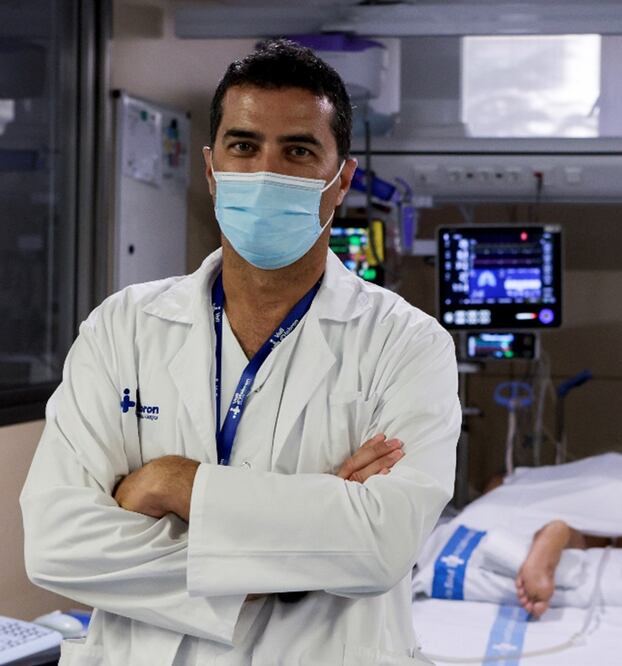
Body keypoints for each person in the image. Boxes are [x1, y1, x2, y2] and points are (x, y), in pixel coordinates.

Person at [20, 39, 459, 665]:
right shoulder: (122, 327)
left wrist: (176, 483)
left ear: (342, 182)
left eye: (299, 151)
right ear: (210, 167)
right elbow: (57, 542)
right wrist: (296, 552)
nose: (265, 173)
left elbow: (382, 547)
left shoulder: (407, 344)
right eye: (244, 146)